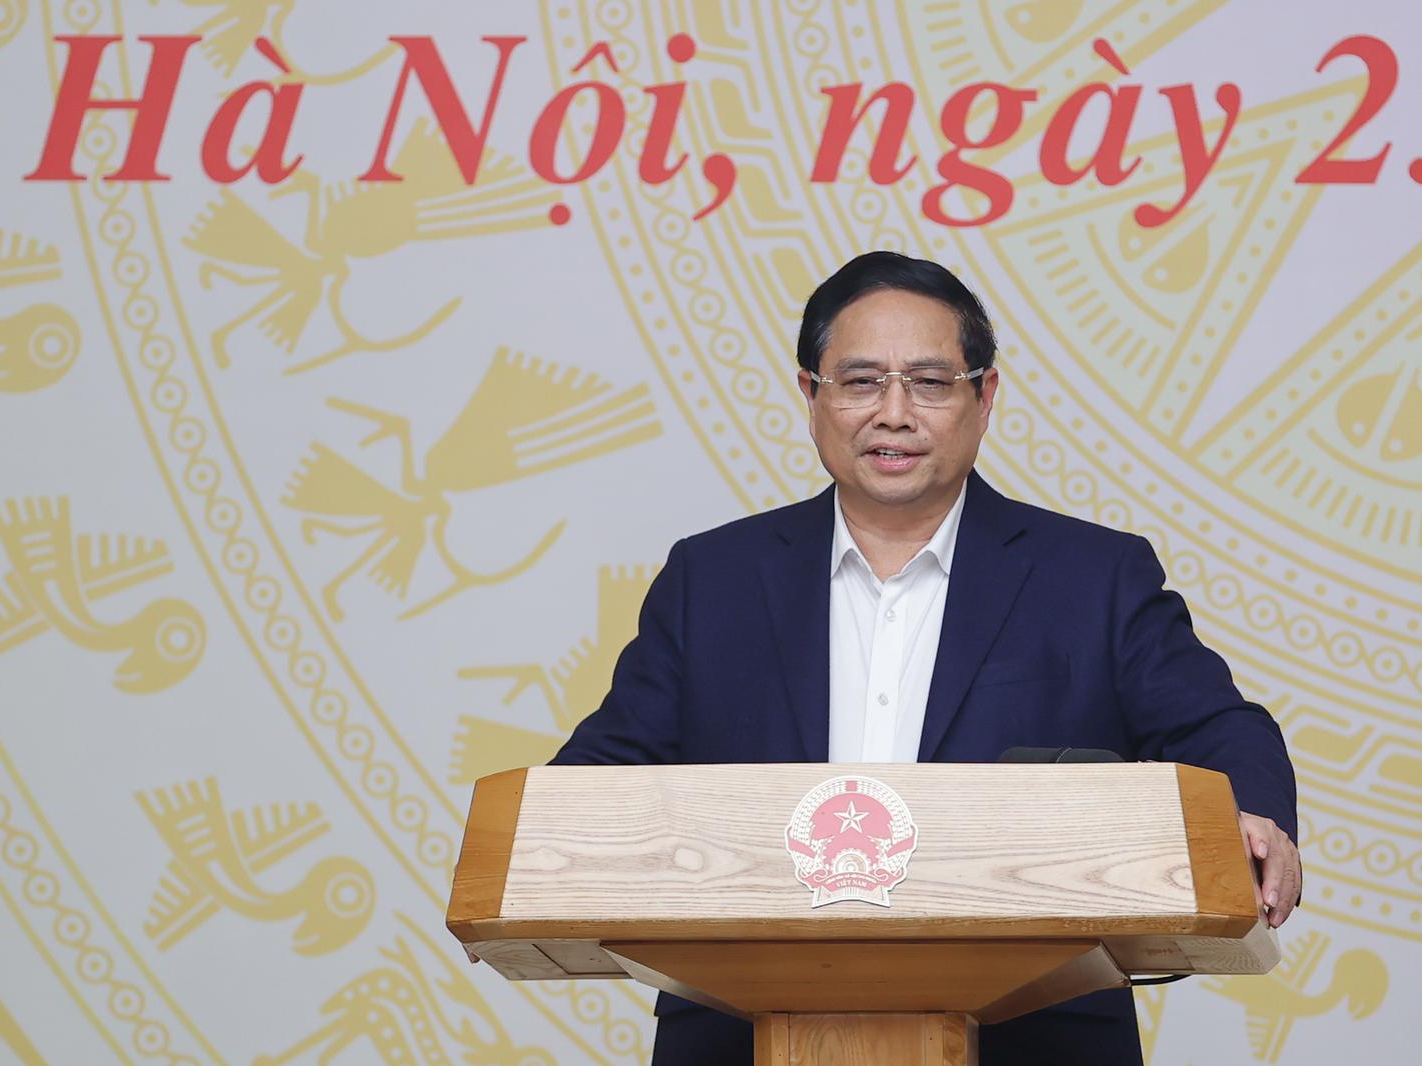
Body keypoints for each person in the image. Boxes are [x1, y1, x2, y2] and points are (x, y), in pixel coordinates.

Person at [552, 251, 1302, 1066]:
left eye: (930, 383)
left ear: (985, 396)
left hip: (1034, 1037)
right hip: (740, 1035)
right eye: (861, 381)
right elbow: (602, 774)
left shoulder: (1092, 577)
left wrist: (1252, 819)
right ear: (811, 396)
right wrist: (534, 844)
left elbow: (1221, 729)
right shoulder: (713, 579)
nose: (894, 413)